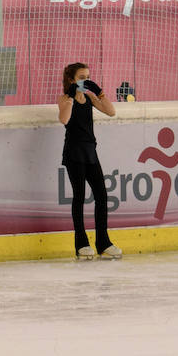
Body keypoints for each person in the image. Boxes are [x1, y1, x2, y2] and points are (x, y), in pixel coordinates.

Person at [57, 62, 121, 259]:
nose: (86, 80)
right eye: (82, 77)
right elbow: (64, 120)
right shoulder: (64, 99)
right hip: (74, 153)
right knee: (79, 196)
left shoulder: (90, 98)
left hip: (90, 152)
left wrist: (99, 92)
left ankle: (103, 242)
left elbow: (111, 111)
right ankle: (81, 244)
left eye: (88, 77)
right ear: (72, 80)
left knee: (102, 195)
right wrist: (69, 97)